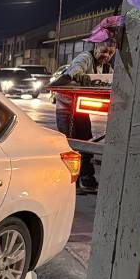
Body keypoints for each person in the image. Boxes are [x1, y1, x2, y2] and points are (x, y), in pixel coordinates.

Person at [49, 15, 122, 192]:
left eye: (111, 53)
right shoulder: (84, 58)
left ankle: (87, 178)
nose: (107, 56)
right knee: (69, 144)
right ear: (96, 47)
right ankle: (67, 180)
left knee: (86, 140)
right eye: (104, 52)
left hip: (81, 108)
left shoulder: (106, 68)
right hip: (66, 108)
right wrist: (55, 84)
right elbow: (73, 72)